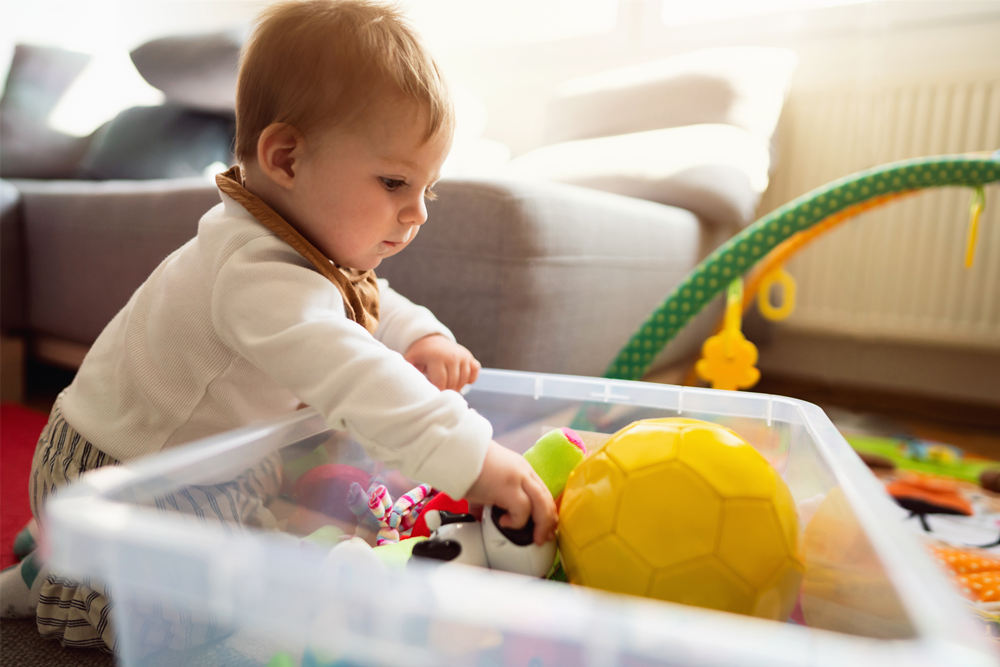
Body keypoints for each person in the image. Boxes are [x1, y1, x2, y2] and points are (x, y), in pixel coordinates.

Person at [0, 0, 557, 653]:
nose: (418, 214)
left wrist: (420, 336)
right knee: (215, 613)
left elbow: (363, 302)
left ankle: (62, 559)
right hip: (119, 474)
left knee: (283, 528)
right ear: (287, 158)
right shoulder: (251, 271)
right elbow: (351, 369)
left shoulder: (299, 249)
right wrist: (469, 455)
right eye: (396, 181)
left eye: (427, 190)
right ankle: (64, 577)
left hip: (201, 463)